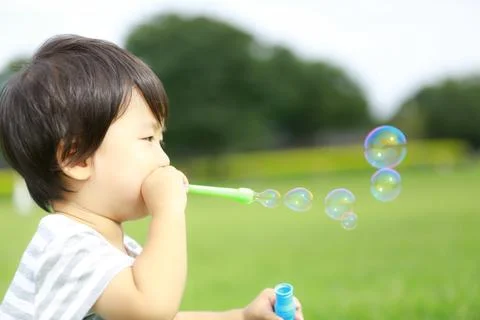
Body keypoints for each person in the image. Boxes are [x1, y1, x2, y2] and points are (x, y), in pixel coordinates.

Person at [0, 35, 304, 320]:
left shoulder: (107, 247)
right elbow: (152, 311)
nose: (164, 159)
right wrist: (168, 211)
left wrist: (240, 317)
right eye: (147, 139)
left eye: (161, 141)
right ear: (76, 158)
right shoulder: (67, 245)